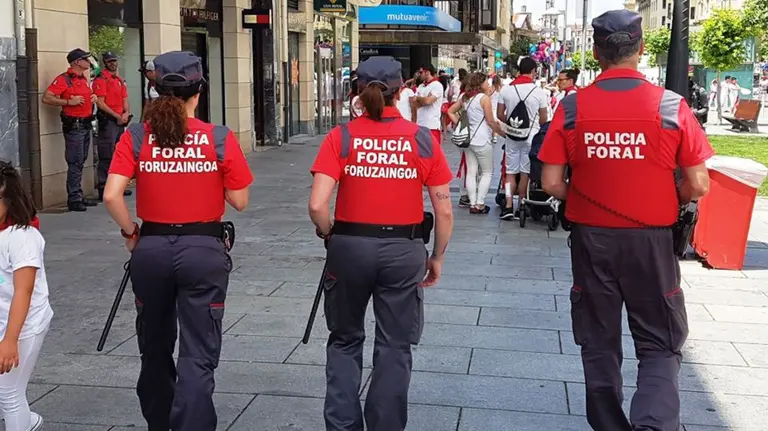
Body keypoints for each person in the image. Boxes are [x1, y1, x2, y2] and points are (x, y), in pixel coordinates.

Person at [538, 10, 714, 431]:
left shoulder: (573, 107)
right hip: (651, 242)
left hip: (591, 241)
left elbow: (550, 182)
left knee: (598, 341)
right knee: (659, 341)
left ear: (597, 52)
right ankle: (653, 423)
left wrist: (589, 196)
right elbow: (700, 182)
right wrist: (668, 198)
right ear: (640, 49)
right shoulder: (671, 106)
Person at [102, 51, 253, 431]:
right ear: (198, 91)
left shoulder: (136, 135)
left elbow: (111, 196)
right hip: (203, 250)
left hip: (151, 248)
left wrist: (130, 232)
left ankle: (159, 421)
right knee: (198, 351)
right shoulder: (217, 137)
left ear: (155, 89)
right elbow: (240, 201)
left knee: (154, 346)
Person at [308, 56, 454, 431]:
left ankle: (342, 425)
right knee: (394, 346)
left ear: (356, 91)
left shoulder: (340, 137)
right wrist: (436, 255)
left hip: (350, 247)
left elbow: (317, 204)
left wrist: (328, 234)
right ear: (401, 89)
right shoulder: (420, 139)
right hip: (403, 250)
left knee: (343, 339)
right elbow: (444, 210)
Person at [0, 162, 50, 431]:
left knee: (9, 393)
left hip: (25, 323)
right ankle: (28, 422)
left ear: (9, 199)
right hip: (3, 316)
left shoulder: (22, 238)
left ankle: (23, 422)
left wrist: (10, 340)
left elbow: (24, 290)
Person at [41, 48, 99, 212]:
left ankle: (78, 194)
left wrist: (92, 98)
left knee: (80, 161)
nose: (89, 62)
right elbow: (47, 97)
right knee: (75, 161)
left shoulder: (83, 79)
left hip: (86, 124)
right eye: (86, 59)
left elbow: (86, 97)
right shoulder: (64, 80)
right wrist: (68, 103)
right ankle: (74, 198)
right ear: (77, 62)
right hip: (75, 126)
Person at [497, 57, 549, 220]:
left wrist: (512, 126)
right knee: (525, 172)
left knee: (510, 172)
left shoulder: (506, 90)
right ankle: (522, 205)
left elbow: (499, 115)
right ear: (533, 71)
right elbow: (543, 119)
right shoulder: (540, 92)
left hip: (512, 135)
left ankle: (508, 205)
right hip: (531, 137)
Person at [447, 72, 506, 214]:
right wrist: (503, 133)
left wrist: (461, 125)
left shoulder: (465, 97)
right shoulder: (483, 98)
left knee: (471, 172)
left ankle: (472, 203)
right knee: (487, 172)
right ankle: (480, 203)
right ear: (480, 83)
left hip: (469, 140)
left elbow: (450, 111)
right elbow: (490, 121)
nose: (488, 84)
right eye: (486, 82)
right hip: (482, 140)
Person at [93, 52, 133, 201]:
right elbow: (100, 102)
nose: (113, 63)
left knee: (119, 154)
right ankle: (104, 187)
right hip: (108, 121)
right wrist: (117, 116)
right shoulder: (101, 80)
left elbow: (125, 98)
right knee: (106, 155)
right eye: (110, 61)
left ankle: (117, 187)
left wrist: (126, 113)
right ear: (105, 62)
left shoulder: (119, 80)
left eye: (114, 60)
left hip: (119, 120)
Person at [412, 64, 445, 144]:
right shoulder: (420, 86)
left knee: (433, 154)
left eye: (421, 72)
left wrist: (418, 98)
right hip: (419, 125)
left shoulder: (437, 85)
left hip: (432, 126)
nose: (419, 74)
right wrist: (424, 99)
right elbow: (414, 103)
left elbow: (427, 101)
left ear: (427, 72)